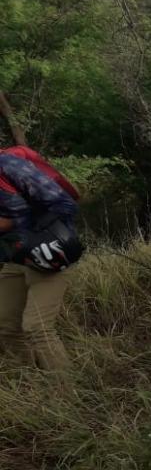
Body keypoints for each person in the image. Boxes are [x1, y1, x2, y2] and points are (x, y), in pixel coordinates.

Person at [0, 148, 83, 370]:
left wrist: (13, 224)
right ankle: (30, 383)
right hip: (15, 257)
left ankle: (66, 388)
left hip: (50, 252)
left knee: (37, 328)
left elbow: (65, 204)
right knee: (6, 326)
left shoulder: (8, 165)